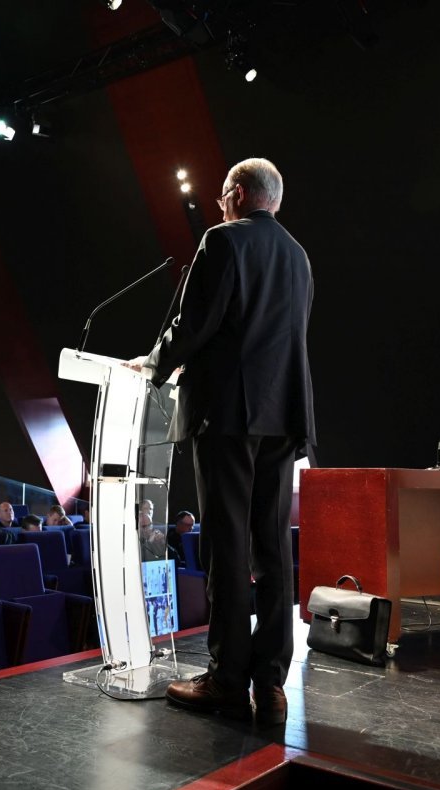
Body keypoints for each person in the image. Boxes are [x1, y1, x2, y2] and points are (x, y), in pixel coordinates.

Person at [126, 158, 314, 725]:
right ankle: (273, 683)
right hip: (284, 415)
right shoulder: (299, 256)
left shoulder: (221, 241)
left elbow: (195, 322)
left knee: (228, 548)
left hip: (229, 416)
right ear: (273, 201)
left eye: (220, 195)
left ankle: (227, 679)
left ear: (235, 194)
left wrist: (154, 364)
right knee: (274, 549)